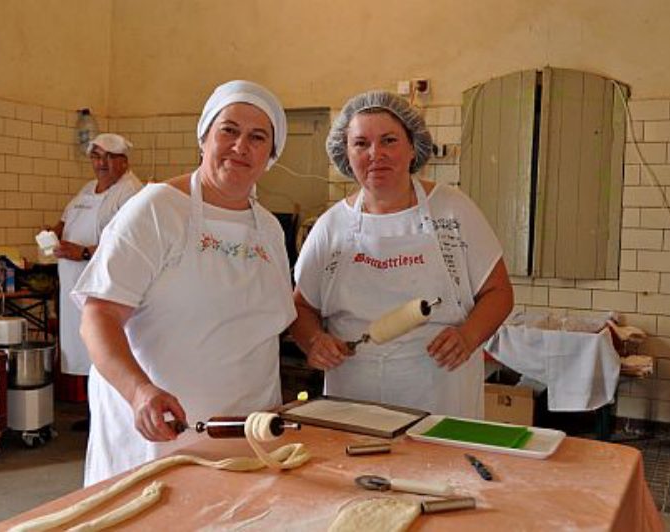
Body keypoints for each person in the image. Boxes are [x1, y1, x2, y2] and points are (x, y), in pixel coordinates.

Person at [72, 80, 296, 486]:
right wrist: (139, 392)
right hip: (162, 433)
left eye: (257, 137)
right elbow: (98, 316)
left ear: (271, 155)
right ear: (204, 137)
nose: (240, 146)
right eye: (228, 130)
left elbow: (269, 322)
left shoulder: (268, 228)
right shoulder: (156, 210)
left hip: (248, 433)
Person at [290, 91, 514, 419]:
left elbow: (499, 293)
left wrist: (468, 337)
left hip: (440, 393)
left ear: (413, 147)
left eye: (389, 140)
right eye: (361, 143)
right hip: (353, 399)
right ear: (345, 153)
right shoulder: (331, 226)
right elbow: (302, 306)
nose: (375, 154)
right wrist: (313, 341)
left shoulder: (453, 211)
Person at [50, 133, 142, 429]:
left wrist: (84, 251)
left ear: (124, 161)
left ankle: (111, 418)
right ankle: (94, 415)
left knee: (106, 346)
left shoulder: (131, 192)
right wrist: (53, 234)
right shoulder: (87, 189)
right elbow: (64, 223)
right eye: (96, 156)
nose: (101, 163)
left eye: (109, 157)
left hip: (105, 289)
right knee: (85, 350)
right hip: (75, 285)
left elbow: (129, 244)